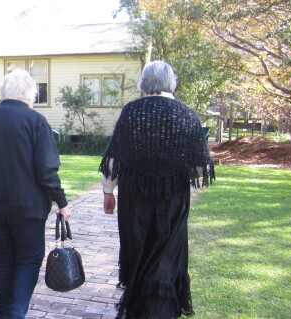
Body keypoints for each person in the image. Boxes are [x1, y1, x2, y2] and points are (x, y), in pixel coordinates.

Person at [100, 60, 214, 319]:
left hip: (134, 197)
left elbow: (113, 160)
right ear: (171, 82)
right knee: (167, 253)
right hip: (172, 196)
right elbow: (199, 167)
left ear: (144, 83)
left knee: (137, 248)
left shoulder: (132, 112)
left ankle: (139, 310)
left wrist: (108, 193)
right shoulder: (186, 113)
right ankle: (162, 311)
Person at [0, 69, 71, 319]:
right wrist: (61, 202)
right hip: (28, 209)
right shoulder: (36, 121)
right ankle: (15, 314)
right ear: (29, 94)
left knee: (2, 260)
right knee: (29, 259)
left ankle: (6, 312)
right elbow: (46, 170)